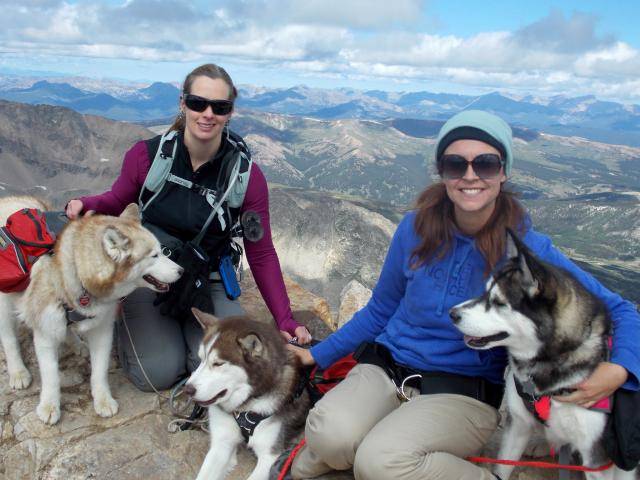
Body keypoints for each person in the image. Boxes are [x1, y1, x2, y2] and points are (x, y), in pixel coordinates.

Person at [284, 110, 640, 480]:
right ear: (442, 172)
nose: (470, 175)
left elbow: (620, 309)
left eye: (485, 164)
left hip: (463, 391)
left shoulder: (528, 252)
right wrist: (315, 355)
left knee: (379, 463)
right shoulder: (414, 229)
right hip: (387, 367)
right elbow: (381, 309)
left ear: (503, 172)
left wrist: (620, 372)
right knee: (329, 435)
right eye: (456, 164)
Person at [66, 63, 312, 392]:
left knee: (228, 369)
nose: (207, 114)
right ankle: (140, 326)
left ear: (229, 113)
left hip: (207, 278)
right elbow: (118, 197)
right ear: (183, 104)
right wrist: (87, 203)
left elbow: (261, 250)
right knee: (158, 373)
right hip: (152, 274)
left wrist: (284, 318)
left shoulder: (246, 178)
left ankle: (179, 338)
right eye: (198, 103)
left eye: (219, 107)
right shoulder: (147, 156)